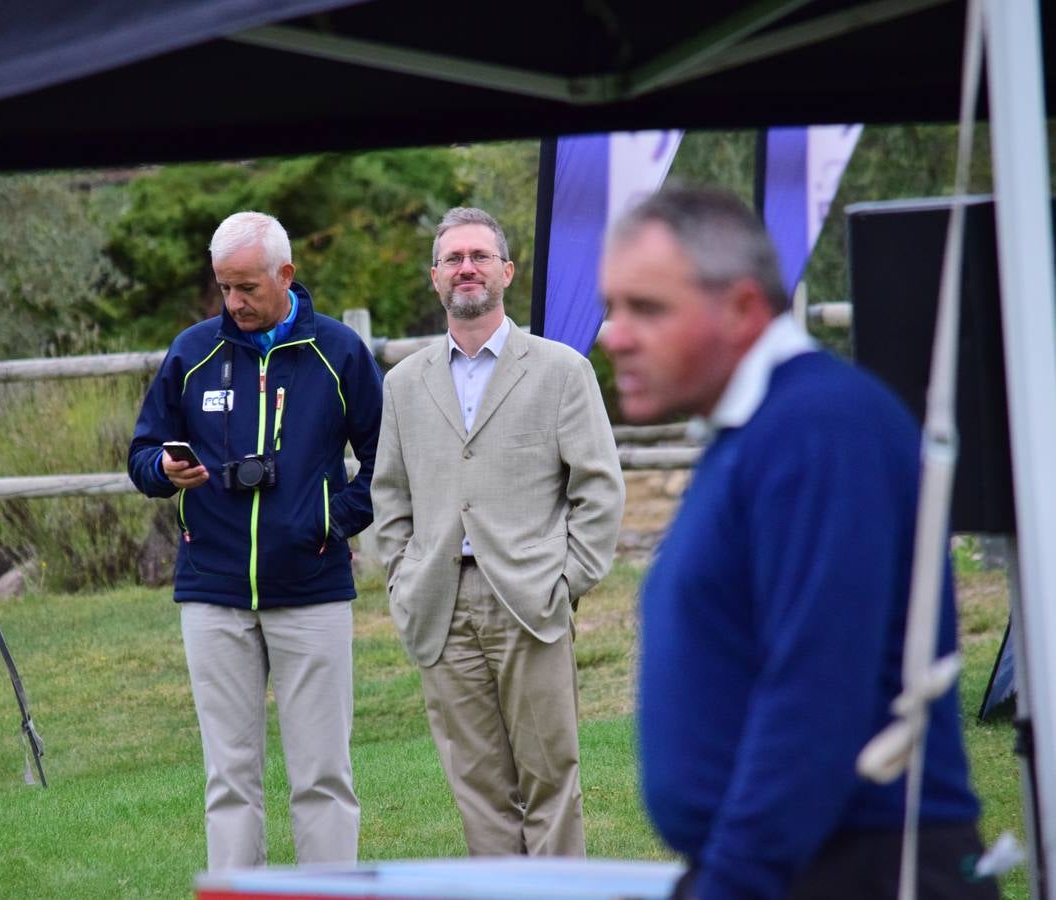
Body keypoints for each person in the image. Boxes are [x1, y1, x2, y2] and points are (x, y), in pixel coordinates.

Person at [599, 186, 996, 900]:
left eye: (646, 308)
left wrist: (735, 881)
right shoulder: (760, 432)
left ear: (744, 308)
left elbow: (816, 693)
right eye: (611, 306)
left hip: (857, 868)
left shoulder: (818, 428)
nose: (613, 335)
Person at [128, 211, 383, 871]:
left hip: (313, 588)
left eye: (246, 287)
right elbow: (142, 454)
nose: (233, 303)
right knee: (229, 777)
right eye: (224, 288)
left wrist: (330, 520)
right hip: (212, 591)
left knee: (323, 774)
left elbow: (391, 463)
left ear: (286, 275)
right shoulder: (191, 353)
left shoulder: (340, 352)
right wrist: (164, 470)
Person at [371, 206, 625, 857]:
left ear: (506, 271)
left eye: (479, 256)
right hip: (439, 604)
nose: (466, 268)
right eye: (453, 258)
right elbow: (389, 496)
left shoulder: (560, 370)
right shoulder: (402, 385)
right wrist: (401, 580)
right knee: (478, 790)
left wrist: (568, 580)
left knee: (549, 779)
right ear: (435, 278)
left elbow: (598, 488)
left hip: (530, 600)